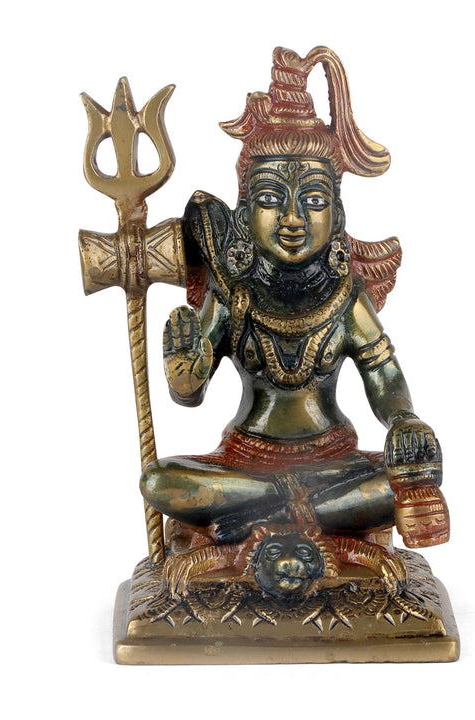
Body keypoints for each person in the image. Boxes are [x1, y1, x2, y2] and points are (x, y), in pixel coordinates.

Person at [140, 46, 449, 551]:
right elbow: (191, 394)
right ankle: (304, 508)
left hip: (334, 459)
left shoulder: (346, 297)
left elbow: (384, 377)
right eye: (269, 199)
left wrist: (404, 419)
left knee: (409, 477)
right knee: (160, 481)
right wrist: (183, 377)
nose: (292, 219)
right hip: (247, 461)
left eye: (313, 200)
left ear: (337, 214)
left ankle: (261, 514)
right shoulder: (231, 294)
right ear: (244, 212)